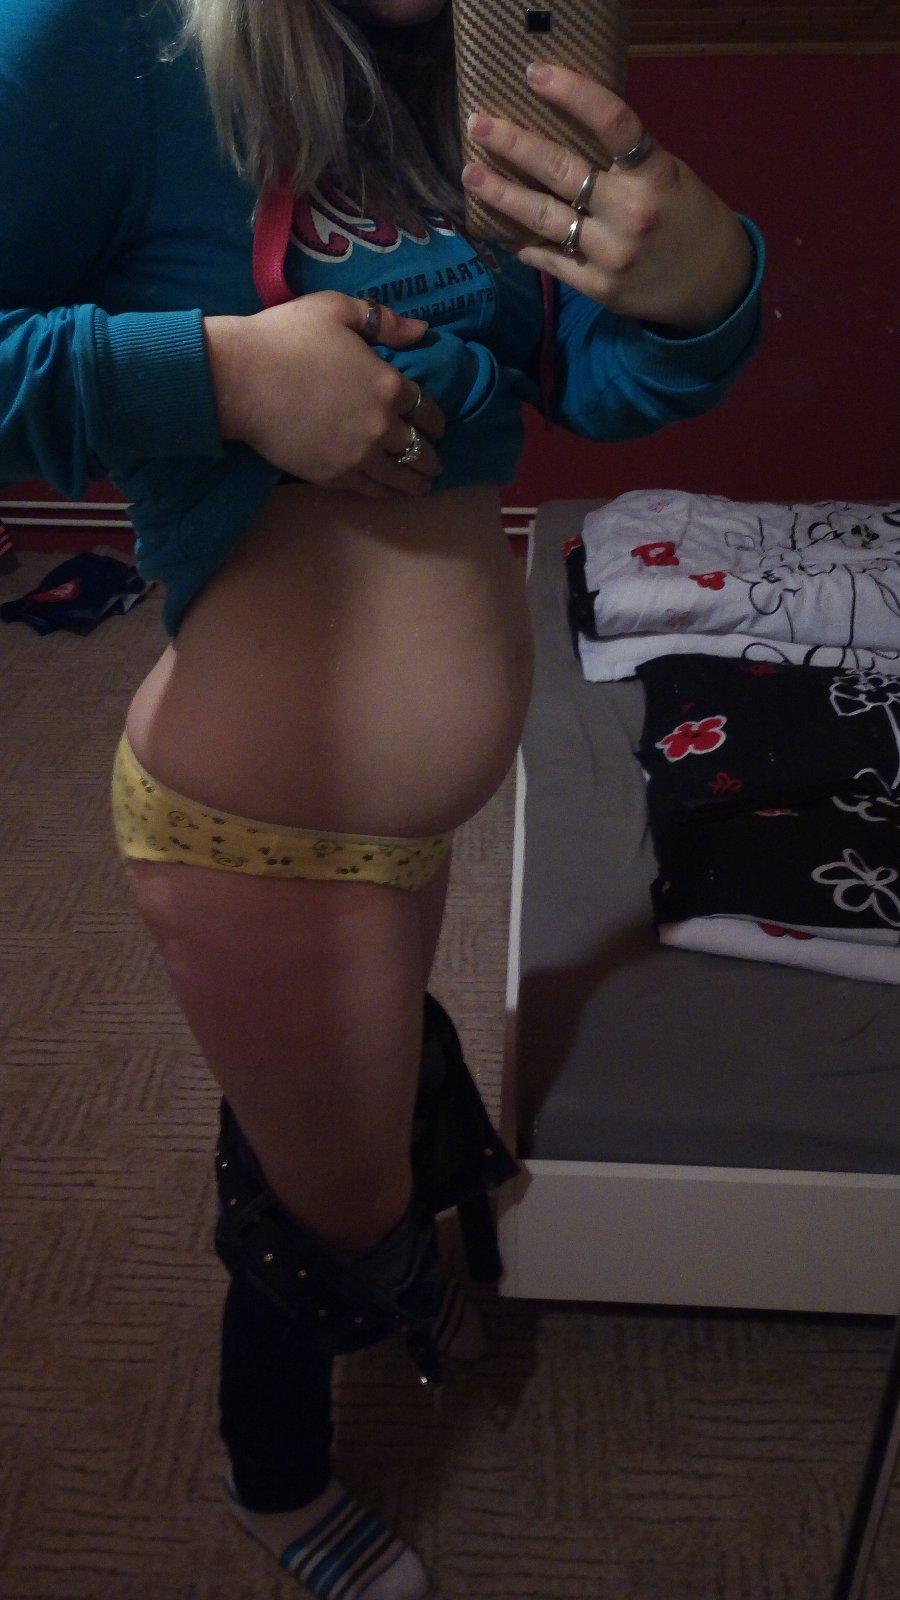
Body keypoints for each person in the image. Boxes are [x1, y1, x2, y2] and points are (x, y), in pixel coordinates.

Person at [0, 1, 765, 1594]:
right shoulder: (97, 40)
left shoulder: (484, 50)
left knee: (342, 1060)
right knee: (327, 1196)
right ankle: (276, 1479)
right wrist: (223, 377)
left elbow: (589, 373)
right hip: (255, 825)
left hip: (390, 820)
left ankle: (375, 1188)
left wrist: (706, 288)